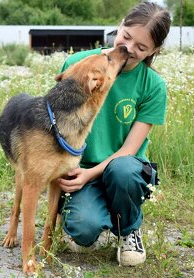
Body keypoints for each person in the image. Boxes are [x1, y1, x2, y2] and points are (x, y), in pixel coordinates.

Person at [57, 1, 171, 267]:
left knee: (123, 171)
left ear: (155, 50)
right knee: (83, 230)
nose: (129, 49)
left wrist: (89, 174)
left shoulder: (153, 86)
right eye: (126, 37)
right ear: (120, 24)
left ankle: (129, 228)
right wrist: (68, 171)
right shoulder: (77, 64)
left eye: (141, 47)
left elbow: (128, 150)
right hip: (80, 169)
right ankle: (81, 212)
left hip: (123, 169)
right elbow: (57, 124)